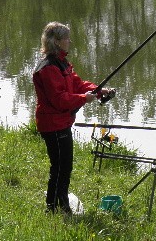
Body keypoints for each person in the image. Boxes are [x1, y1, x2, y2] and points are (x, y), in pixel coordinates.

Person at [32, 21, 114, 214]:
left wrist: (100, 91)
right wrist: (83, 99)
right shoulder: (48, 68)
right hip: (53, 124)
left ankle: (56, 206)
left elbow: (77, 84)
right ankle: (56, 207)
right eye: (66, 38)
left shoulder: (62, 63)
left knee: (63, 166)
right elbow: (59, 99)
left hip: (61, 122)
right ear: (57, 41)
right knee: (61, 167)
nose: (70, 40)